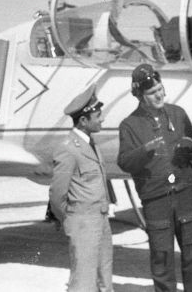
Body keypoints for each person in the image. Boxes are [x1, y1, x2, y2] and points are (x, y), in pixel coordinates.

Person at [117, 63, 192, 292]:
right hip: (156, 200)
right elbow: (124, 162)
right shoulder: (129, 125)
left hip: (185, 194)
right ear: (139, 95)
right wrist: (145, 149)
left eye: (160, 89)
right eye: (152, 93)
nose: (159, 95)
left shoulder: (178, 113)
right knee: (162, 259)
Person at [49, 83, 113, 292]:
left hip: (101, 220)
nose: (102, 119)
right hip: (83, 222)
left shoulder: (91, 144)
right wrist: (71, 221)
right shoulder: (69, 149)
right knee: (83, 282)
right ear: (84, 120)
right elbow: (58, 193)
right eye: (98, 116)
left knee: (105, 279)